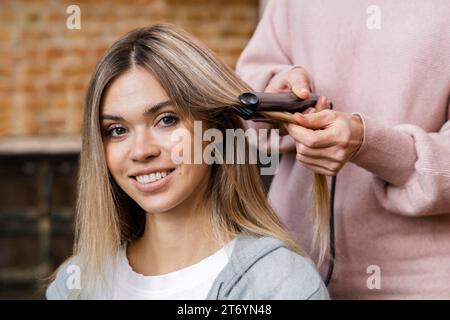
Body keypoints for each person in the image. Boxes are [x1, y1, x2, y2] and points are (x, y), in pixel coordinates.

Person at [45, 24, 329, 300]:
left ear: (215, 131)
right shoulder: (73, 284)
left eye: (166, 120)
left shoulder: (281, 286)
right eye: (117, 130)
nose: (141, 151)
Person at [236, 0, 450, 299]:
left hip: (420, 284)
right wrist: (278, 96)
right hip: (290, 272)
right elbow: (252, 79)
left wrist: (369, 143)